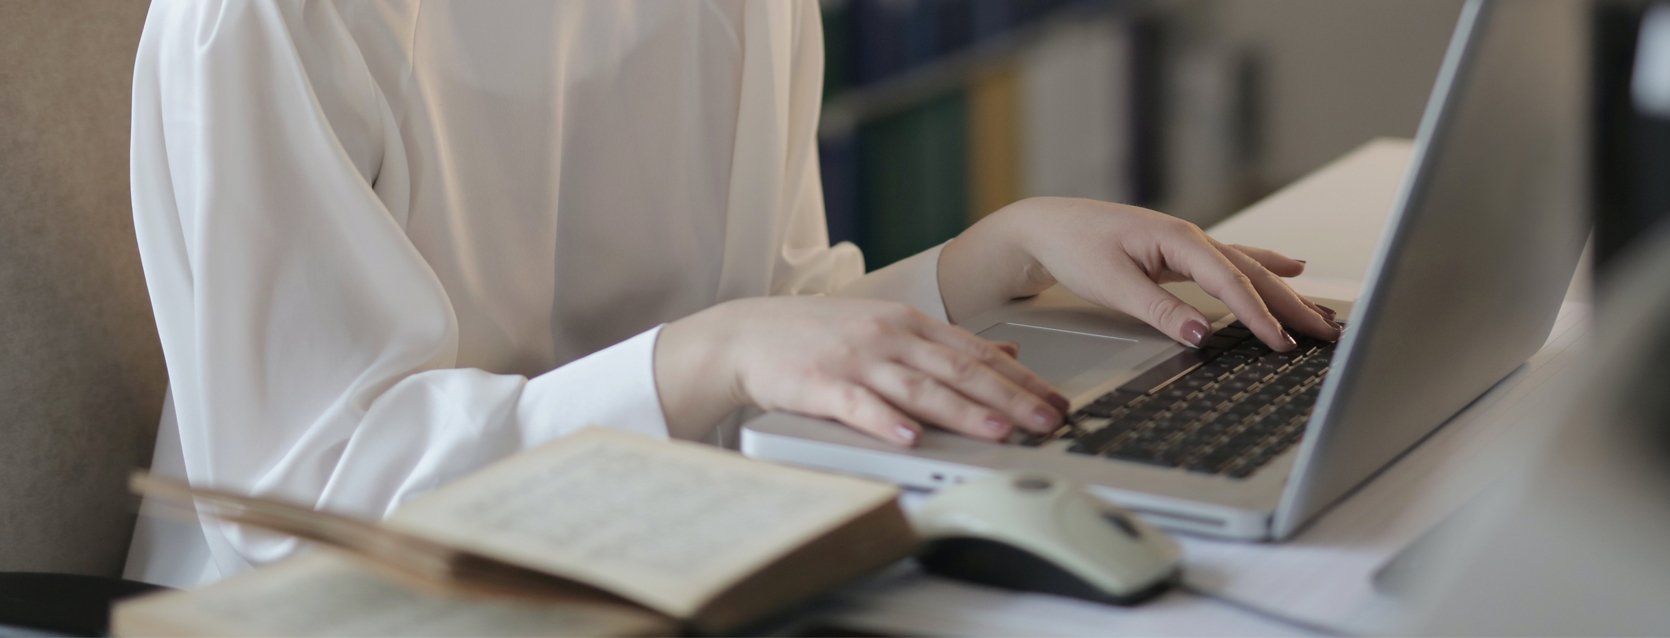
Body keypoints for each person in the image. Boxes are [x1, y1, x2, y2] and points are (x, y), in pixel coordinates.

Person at [123, 0, 1340, 586]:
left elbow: (772, 310)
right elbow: (293, 498)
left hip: (662, 562)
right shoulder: (266, 21)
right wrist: (709, 352)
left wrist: (995, 259)